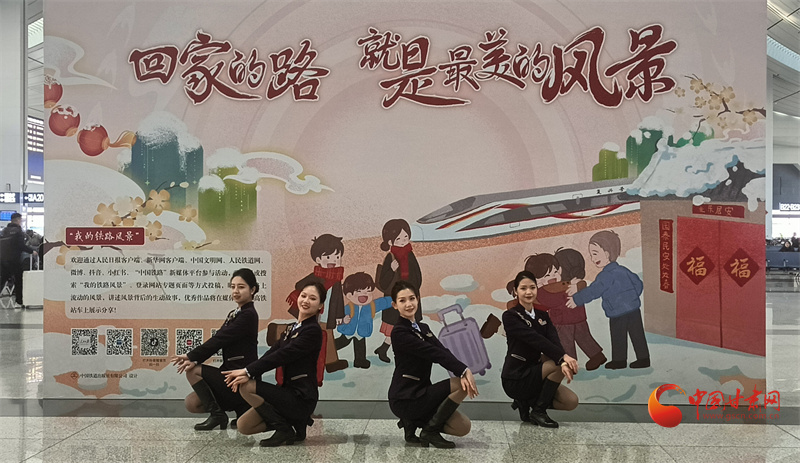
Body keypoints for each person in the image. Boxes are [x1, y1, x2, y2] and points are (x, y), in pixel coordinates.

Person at [224, 281, 325, 447]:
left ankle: (284, 428)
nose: (306, 301)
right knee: (244, 425)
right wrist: (248, 371)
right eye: (303, 296)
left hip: (301, 397)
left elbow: (282, 355)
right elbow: (271, 353)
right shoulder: (291, 328)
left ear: (320, 305)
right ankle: (293, 424)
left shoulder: (312, 330)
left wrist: (247, 372)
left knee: (246, 387)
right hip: (285, 393)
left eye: (312, 298)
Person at [388, 280, 478, 448]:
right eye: (402, 300)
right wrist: (463, 371)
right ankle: (429, 431)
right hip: (405, 397)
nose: (408, 304)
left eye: (412, 298)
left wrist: (463, 370)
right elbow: (433, 353)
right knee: (461, 385)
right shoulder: (399, 332)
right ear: (395, 305)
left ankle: (412, 422)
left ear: (418, 299)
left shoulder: (423, 328)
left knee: (463, 427)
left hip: (423, 392)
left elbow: (442, 350)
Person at [171, 268, 260, 430]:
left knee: (193, 371)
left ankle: (218, 415)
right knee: (192, 403)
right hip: (228, 373)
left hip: (240, 376)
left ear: (252, 289)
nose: (235, 291)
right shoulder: (235, 313)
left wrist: (191, 357)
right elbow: (219, 338)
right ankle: (240, 408)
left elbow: (220, 340)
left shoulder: (248, 315)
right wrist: (194, 358)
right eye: (233, 287)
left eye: (241, 287)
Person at [502, 271, 579, 428]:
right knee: (558, 363)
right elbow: (535, 339)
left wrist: (563, 360)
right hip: (516, 377)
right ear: (516, 291)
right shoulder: (510, 316)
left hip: (537, 373)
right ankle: (538, 411)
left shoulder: (543, 315)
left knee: (571, 401)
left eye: (532, 287)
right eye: (523, 288)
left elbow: (554, 342)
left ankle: (526, 402)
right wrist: (563, 359)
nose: (528, 292)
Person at [567, 230, 650, 370]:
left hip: (617, 312)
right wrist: (632, 298)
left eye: (595, 253)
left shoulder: (605, 275)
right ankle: (643, 359)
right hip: (633, 309)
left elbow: (594, 291)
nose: (592, 258)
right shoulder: (623, 270)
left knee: (618, 336)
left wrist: (577, 300)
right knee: (637, 334)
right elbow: (638, 284)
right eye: (591, 255)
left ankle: (619, 360)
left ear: (606, 254)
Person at [375, 219, 422, 363]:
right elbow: (383, 282)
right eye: (399, 239)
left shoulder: (409, 254)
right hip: (395, 298)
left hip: (409, 294)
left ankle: (389, 350)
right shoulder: (390, 258)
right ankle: (386, 350)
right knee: (395, 328)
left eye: (405, 237)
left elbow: (417, 274)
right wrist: (391, 269)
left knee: (408, 327)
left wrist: (414, 291)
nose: (403, 241)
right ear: (390, 241)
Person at [0, 213, 38, 305]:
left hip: (3, 260)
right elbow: (21, 245)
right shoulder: (18, 231)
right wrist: (31, 251)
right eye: (21, 220)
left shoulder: (4, 231)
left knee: (2, 280)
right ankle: (19, 301)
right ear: (18, 220)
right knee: (18, 280)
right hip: (14, 260)